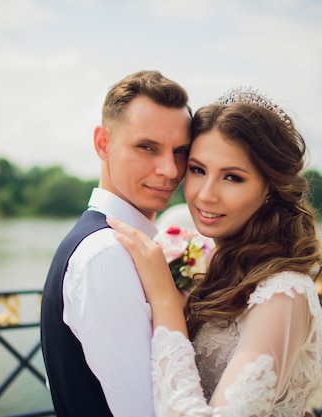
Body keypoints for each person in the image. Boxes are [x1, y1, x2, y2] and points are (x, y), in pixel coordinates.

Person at [107, 86, 322, 416]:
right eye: (198, 170)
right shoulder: (221, 266)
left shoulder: (282, 292)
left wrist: (165, 302)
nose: (205, 195)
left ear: (270, 188)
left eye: (232, 177)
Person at [40, 70, 192, 417]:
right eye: (147, 147)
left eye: (180, 151)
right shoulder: (107, 254)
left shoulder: (108, 244)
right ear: (103, 143)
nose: (170, 170)